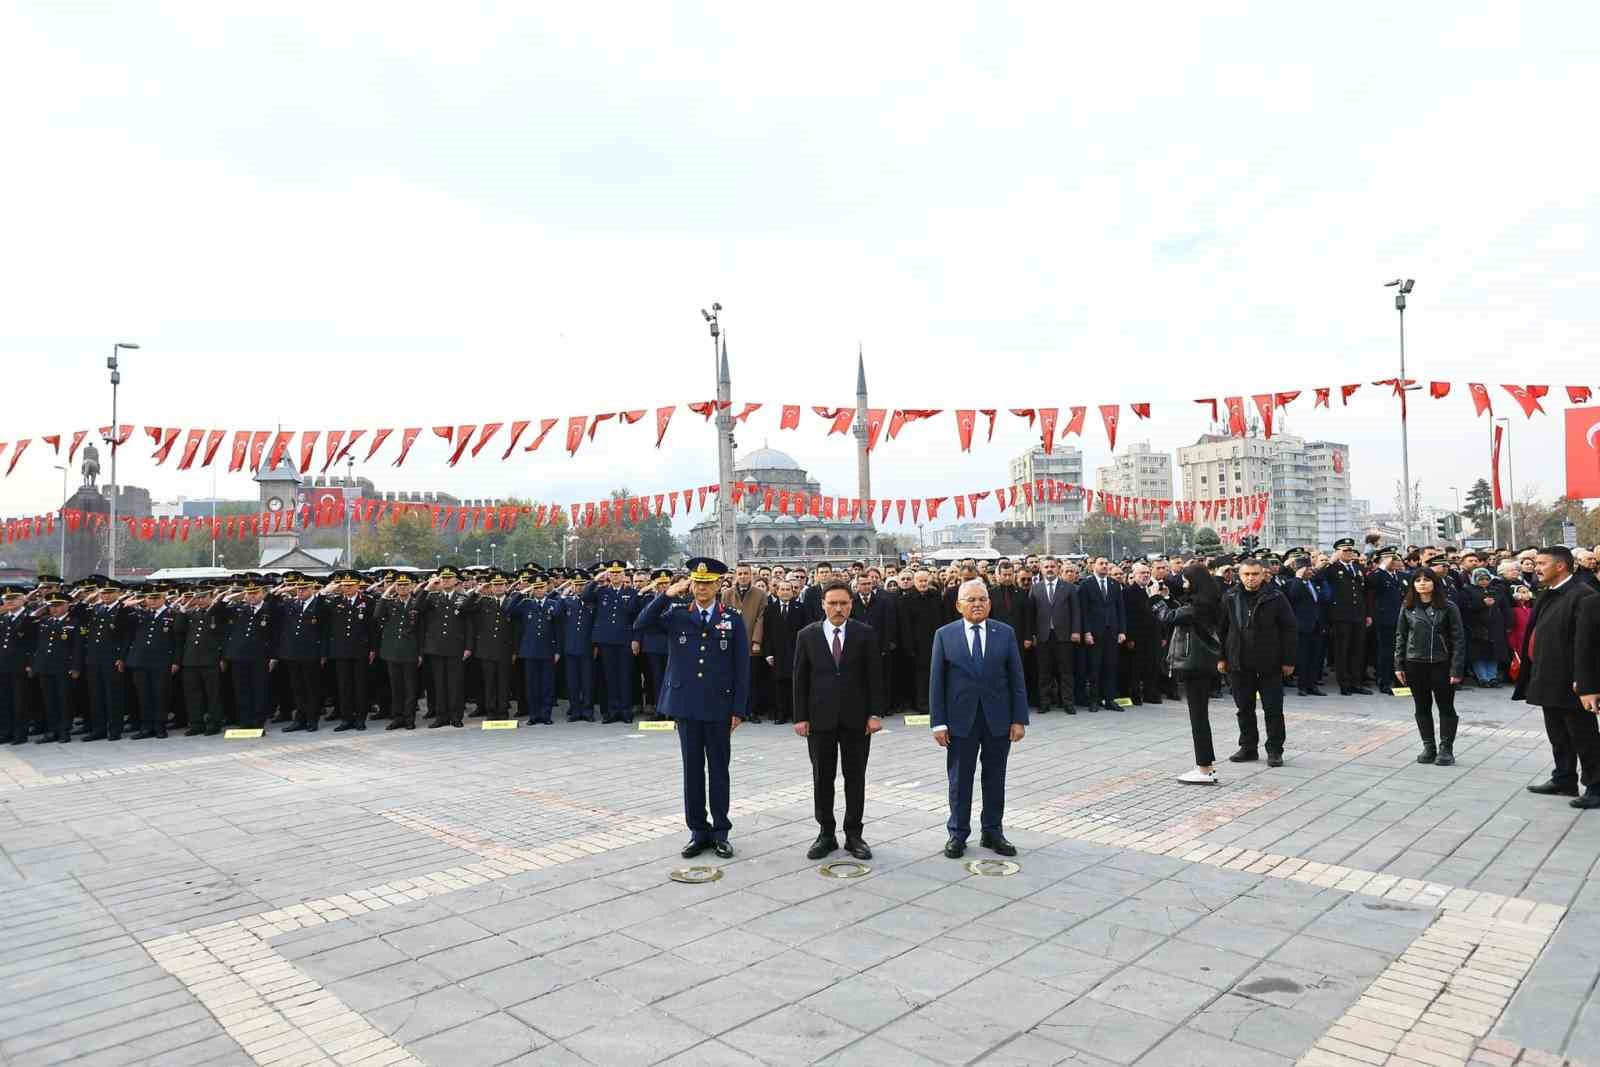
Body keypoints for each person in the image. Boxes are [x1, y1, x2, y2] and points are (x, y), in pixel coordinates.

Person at [634, 558, 750, 859]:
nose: (702, 588)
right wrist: (667, 594)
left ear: (718, 585)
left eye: (708, 583)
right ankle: (698, 831)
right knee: (693, 771)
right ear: (691, 585)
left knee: (719, 771)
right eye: (697, 583)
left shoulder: (732, 619)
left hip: (719, 707)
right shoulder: (676, 615)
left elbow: (742, 667)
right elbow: (640, 623)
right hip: (686, 706)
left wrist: (738, 709)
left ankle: (721, 831)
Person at [929, 578, 1028, 859]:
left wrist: (1018, 719)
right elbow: (936, 682)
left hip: (998, 719)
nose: (977, 604)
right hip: (960, 721)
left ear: (990, 603)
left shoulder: (1005, 633)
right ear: (959, 605)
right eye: (970, 600)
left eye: (982, 599)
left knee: (995, 778)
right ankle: (958, 834)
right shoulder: (944, 635)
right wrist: (939, 722)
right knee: (960, 780)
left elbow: (1016, 679)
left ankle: (992, 832)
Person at [792, 580, 886, 861]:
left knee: (855, 778)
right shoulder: (807, 635)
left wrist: (875, 713)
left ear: (851, 604)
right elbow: (800, 678)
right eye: (832, 603)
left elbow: (875, 676)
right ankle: (826, 833)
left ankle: (854, 834)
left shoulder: (864, 633)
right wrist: (800, 717)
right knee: (822, 778)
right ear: (822, 604)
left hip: (857, 720)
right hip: (819, 720)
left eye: (843, 603)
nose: (838, 608)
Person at [1517, 547, 1600, 807]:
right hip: (1546, 675)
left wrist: (1586, 684)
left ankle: (1596, 786)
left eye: (1542, 563)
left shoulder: (1584, 596)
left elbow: (1588, 645)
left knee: (1583, 735)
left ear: (1561, 566)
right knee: (1558, 733)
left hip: (1573, 681)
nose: (1536, 567)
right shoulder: (1548, 593)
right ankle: (1564, 778)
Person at [1218, 558, 1297, 766]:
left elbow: (1289, 629)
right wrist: (1221, 657)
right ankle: (1248, 747)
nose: (1251, 578)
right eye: (1246, 574)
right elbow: (1221, 629)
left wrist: (1288, 660)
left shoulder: (1276, 597)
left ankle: (1275, 750)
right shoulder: (1230, 596)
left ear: (1263, 575)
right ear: (1239, 575)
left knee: (1272, 708)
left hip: (1269, 661)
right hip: (1238, 661)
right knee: (1244, 707)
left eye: (1255, 574)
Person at [1150, 563, 1225, 784]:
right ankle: (1206, 766)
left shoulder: (1199, 605)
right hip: (1203, 665)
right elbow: (1178, 611)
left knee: (1198, 717)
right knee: (1200, 716)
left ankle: (1204, 768)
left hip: (1196, 665)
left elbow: (1168, 617)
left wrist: (1155, 599)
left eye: (1186, 580)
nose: (1183, 584)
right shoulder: (1207, 600)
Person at [1393, 570, 1465, 766]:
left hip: (1442, 663)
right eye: (1417, 580)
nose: (1422, 583)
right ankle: (1429, 746)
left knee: (1446, 706)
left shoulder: (1448, 607)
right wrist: (1398, 664)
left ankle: (1446, 749)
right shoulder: (1408, 607)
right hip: (1415, 662)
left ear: (1435, 583)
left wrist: (1456, 668)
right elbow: (1401, 636)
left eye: (1426, 580)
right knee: (1421, 706)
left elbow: (1458, 639)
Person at [218, 574, 279, 731]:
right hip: (239, 656)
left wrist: (273, 656)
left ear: (262, 593)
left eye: (255, 593)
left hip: (260, 657)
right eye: (248, 593)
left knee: (259, 690)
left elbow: (275, 635)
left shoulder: (270, 609)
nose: (251, 596)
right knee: (241, 690)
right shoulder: (238, 609)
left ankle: (258, 722)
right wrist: (226, 598)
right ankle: (245, 721)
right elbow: (217, 615)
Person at [419, 565, 475, 729]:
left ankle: (456, 716)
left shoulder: (463, 598)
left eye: (449, 578)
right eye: (443, 578)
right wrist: (427, 588)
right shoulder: (432, 597)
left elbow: (469, 625)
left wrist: (468, 647)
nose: (445, 581)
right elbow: (417, 607)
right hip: (436, 647)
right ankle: (441, 716)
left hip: (456, 647)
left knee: (455, 683)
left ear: (456, 580)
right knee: (439, 684)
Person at [586, 560, 640, 724]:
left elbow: (636, 617)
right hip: (607, 641)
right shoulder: (601, 591)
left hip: (624, 640)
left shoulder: (631, 592)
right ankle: (612, 710)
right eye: (613, 573)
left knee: (625, 676)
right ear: (608, 575)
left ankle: (625, 710)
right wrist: (596, 579)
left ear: (624, 575)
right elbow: (585, 596)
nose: (615, 575)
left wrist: (635, 639)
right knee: (609, 676)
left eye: (618, 573)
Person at [125, 585, 182, 739]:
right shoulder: (140, 614)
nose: (153, 601)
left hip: (162, 661)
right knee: (143, 696)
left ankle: (160, 727)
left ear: (164, 598)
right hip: (140, 661)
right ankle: (146, 727)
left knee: (160, 695)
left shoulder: (172, 614)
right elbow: (121, 621)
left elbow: (177, 640)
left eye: (156, 597)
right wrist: (129, 603)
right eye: (150, 598)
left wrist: (176, 661)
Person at [510, 569, 565, 726]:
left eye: (541, 587)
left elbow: (558, 629)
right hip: (530, 651)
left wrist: (558, 650)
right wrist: (521, 593)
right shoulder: (525, 604)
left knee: (547, 684)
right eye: (536, 587)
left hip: (548, 650)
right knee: (532, 684)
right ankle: (534, 715)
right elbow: (509, 609)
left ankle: (545, 714)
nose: (539, 590)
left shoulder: (553, 604)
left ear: (546, 587)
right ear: (532, 589)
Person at [1025, 556, 1079, 714]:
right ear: (1041, 569)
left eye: (1052, 566)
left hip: (1064, 636)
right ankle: (1044, 703)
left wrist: (1076, 631)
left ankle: (1068, 703)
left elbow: (1076, 612)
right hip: (1043, 637)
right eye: (1046, 566)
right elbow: (1031, 614)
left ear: (1058, 568)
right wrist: (1032, 634)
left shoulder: (1069, 587)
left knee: (1066, 671)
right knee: (1044, 672)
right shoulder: (1035, 588)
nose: (1049, 569)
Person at [1317, 538, 1372, 695]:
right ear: (1337, 552)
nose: (1349, 553)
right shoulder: (1332, 568)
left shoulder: (1357, 567)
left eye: (1350, 550)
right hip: (1341, 615)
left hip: (1358, 615)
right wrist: (1329, 562)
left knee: (1358, 650)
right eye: (1345, 550)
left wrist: (1367, 614)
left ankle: (1357, 683)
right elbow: (1317, 577)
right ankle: (1344, 684)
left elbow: (1364, 592)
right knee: (1343, 651)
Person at [29, 590, 84, 743]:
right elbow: (38, 645)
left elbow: (78, 648)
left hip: (64, 668)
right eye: (51, 606)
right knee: (49, 700)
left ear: (67, 605)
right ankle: (52, 731)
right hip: (45, 667)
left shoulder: (74, 622)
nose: (54, 608)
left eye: (58, 605)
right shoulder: (45, 621)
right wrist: (35, 665)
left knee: (64, 700)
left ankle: (64, 731)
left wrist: (75, 667)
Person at [275, 575, 326, 732]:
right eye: (298, 589)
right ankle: (300, 719)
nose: (300, 592)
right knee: (297, 688)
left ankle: (312, 719)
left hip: (311, 653)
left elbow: (324, 630)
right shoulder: (291, 603)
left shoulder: (319, 604)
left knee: (311, 688)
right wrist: (283, 589)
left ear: (312, 589)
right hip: (293, 653)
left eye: (304, 589)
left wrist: (323, 653)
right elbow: (271, 601)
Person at [176, 583, 227, 736]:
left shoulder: (216, 612)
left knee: (213, 694)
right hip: (191, 660)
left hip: (210, 659)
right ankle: (196, 723)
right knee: (193, 694)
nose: (200, 600)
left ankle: (214, 723)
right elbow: (178, 630)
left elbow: (223, 635)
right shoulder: (190, 614)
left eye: (204, 597)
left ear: (211, 597)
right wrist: (184, 608)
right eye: (197, 597)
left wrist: (222, 657)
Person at [468, 571, 516, 722]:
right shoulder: (484, 601)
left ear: (505, 586)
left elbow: (516, 629)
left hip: (505, 650)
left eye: (501, 584)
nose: (498, 587)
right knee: (489, 683)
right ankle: (491, 712)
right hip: (487, 650)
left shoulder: (512, 601)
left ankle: (503, 711)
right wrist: (478, 590)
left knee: (503, 683)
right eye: (495, 585)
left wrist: (515, 650)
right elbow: (465, 607)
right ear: (491, 587)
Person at [898, 568, 944, 714]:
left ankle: (935, 702)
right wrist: (909, 646)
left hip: (935, 641)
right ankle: (922, 703)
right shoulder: (906, 599)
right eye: (920, 581)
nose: (923, 584)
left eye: (925, 581)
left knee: (935, 673)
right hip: (917, 644)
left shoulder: (935, 595)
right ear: (914, 582)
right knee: (920, 676)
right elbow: (905, 626)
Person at [1121, 562, 1164, 705]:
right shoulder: (1128, 592)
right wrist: (1130, 637)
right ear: (1133, 575)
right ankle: (1135, 695)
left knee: (1153, 665)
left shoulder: (1153, 590)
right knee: (1135, 667)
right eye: (1142, 573)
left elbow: (1161, 614)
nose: (1145, 575)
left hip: (1153, 635)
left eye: (1147, 573)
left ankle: (1151, 694)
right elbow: (1129, 615)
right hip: (1137, 636)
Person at [762, 578, 803, 725]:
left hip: (795, 651)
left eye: (788, 589)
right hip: (777, 653)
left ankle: (795, 714)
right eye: (782, 589)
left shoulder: (800, 608)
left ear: (793, 592)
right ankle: (781, 714)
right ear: (777, 592)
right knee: (779, 685)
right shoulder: (769, 609)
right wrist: (767, 653)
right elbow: (766, 633)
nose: (785, 592)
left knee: (795, 683)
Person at [0, 586, 38, 745]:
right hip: (3, 664)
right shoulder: (3, 617)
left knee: (19, 700)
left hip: (20, 665)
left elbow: (34, 644)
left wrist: (30, 664)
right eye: (7, 599)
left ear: (23, 599)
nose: (9, 602)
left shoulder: (30, 617)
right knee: (4, 699)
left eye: (13, 598)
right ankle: (5, 732)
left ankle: (20, 733)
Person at [558, 569, 597, 721]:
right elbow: (555, 613)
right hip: (570, 647)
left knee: (587, 682)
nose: (579, 588)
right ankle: (575, 710)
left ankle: (587, 711)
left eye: (582, 585)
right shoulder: (567, 601)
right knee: (572, 682)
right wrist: (562, 595)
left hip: (587, 647)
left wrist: (595, 646)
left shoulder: (592, 602)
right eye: (576, 585)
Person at [1369, 549, 1405, 695]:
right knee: (1387, 652)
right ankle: (1385, 681)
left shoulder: (1401, 576)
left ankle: (1400, 681)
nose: (1393, 561)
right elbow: (1371, 581)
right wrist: (1383, 566)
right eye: (1390, 559)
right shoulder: (1379, 575)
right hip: (1386, 619)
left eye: (1395, 558)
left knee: (1400, 652)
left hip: (1402, 619)